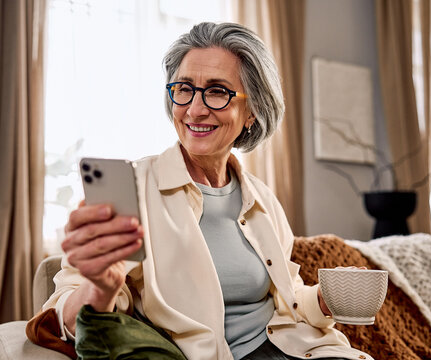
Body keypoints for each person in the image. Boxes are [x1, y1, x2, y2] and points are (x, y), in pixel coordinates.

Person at [44, 22, 373, 360]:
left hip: (295, 349)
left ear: (252, 111)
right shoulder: (134, 189)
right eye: (184, 88)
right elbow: (63, 318)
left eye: (217, 91)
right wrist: (102, 287)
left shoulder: (261, 198)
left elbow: (288, 297)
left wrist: (323, 298)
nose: (195, 109)